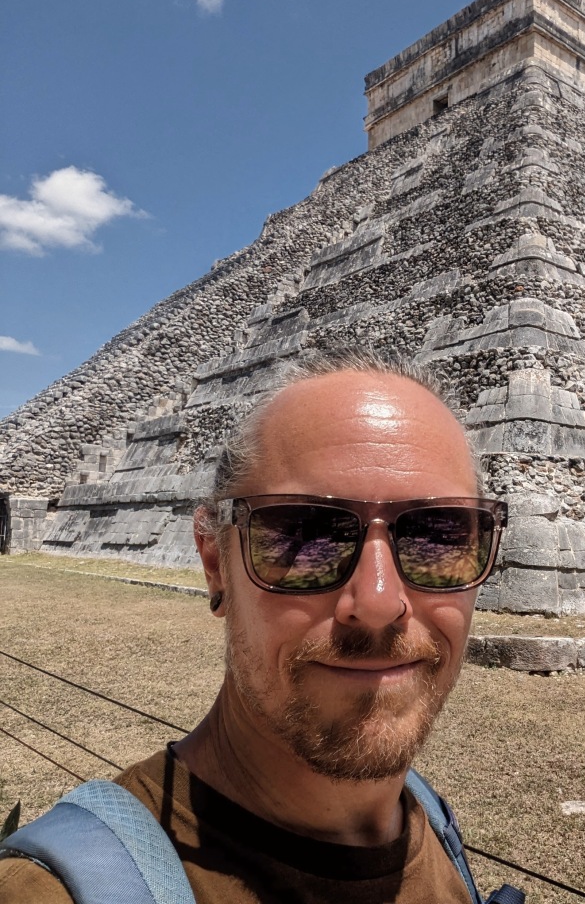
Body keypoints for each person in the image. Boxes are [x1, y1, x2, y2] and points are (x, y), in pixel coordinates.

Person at [0, 348, 511, 903]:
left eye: (438, 535)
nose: (379, 601)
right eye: (305, 534)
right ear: (215, 563)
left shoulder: (432, 824)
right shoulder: (52, 892)